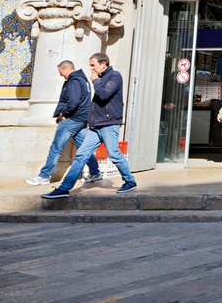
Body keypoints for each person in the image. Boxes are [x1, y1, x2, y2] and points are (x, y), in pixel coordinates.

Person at [42, 53, 138, 198]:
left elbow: (104, 94)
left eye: (93, 65)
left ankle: (130, 181)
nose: (91, 69)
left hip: (109, 123)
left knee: (114, 154)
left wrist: (95, 80)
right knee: (81, 155)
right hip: (95, 125)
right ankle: (64, 188)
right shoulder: (101, 78)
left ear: (103, 63)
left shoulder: (115, 76)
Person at [26, 60, 102, 186]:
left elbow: (73, 102)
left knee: (56, 148)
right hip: (81, 119)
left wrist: (63, 114)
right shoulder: (83, 80)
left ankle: (43, 176)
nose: (60, 74)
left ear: (65, 68)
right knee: (84, 148)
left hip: (72, 119)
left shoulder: (74, 82)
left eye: (60, 71)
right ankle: (95, 172)